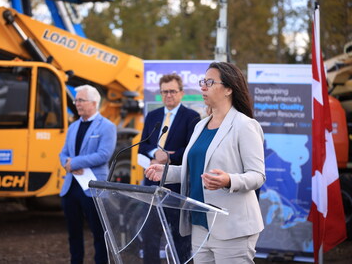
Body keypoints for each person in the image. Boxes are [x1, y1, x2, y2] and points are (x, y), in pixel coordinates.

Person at [145, 62, 265, 264]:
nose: (203, 87)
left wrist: (229, 180)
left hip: (232, 227)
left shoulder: (245, 125)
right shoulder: (201, 125)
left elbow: (257, 175)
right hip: (200, 223)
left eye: (209, 82)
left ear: (228, 89)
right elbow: (196, 169)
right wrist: (166, 172)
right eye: (203, 82)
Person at [138, 73, 200, 263]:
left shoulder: (192, 117)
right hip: (151, 186)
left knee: (179, 238)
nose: (168, 95)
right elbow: (143, 146)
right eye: (164, 92)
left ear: (181, 93)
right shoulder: (153, 116)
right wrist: (155, 154)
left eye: (172, 91)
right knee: (149, 235)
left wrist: (169, 157)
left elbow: (192, 150)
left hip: (176, 188)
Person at [59, 85, 117, 264]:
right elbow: (63, 154)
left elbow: (104, 155)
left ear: (94, 103)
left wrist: (74, 162)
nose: (76, 103)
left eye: (80, 100)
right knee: (73, 234)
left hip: (93, 188)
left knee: (99, 234)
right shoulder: (73, 126)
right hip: (71, 188)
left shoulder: (107, 126)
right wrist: (67, 165)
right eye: (76, 100)